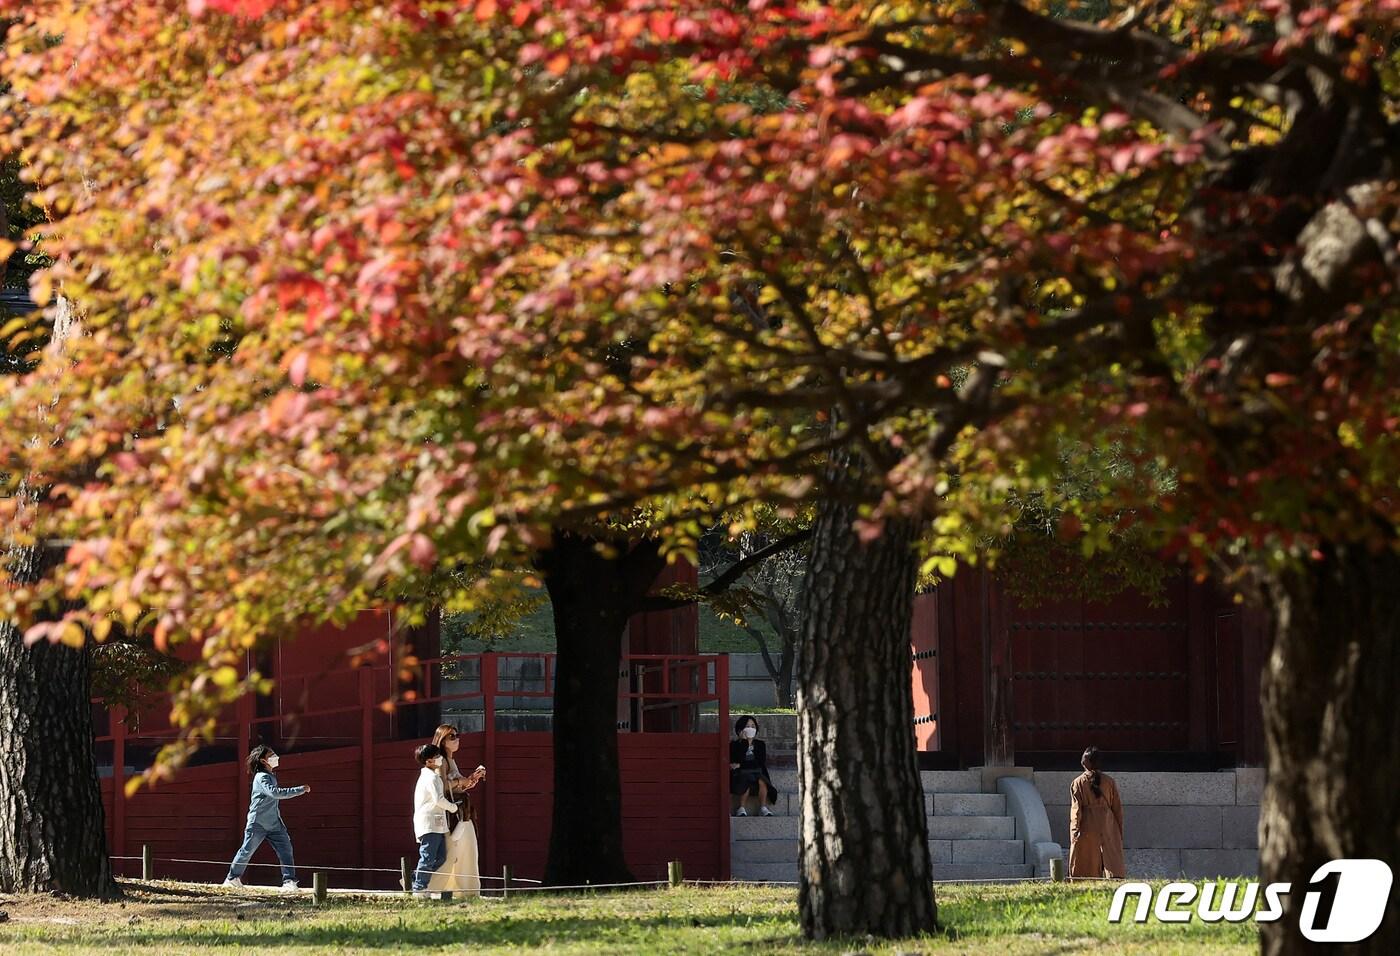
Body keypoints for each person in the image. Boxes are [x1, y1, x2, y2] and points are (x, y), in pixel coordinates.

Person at [222, 745, 310, 890]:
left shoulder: (270, 776)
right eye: (271, 755)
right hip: (258, 822)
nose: (275, 756)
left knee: (286, 850)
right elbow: (275, 793)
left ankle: (289, 882)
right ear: (263, 761)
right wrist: (300, 789)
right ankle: (232, 879)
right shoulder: (262, 777)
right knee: (246, 851)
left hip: (274, 823)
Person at [425, 723, 486, 896]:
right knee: (455, 853)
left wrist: (470, 780)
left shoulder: (450, 759)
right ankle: (435, 888)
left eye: (457, 735)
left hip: (462, 813)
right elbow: (443, 787)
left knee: (467, 851)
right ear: (443, 741)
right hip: (451, 815)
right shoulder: (441, 761)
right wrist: (461, 782)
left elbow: (458, 787)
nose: (457, 739)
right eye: (452, 736)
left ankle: (466, 890)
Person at [1068, 745, 1125, 879]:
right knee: (1111, 858)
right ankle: (1114, 878)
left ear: (1085, 762)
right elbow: (1117, 808)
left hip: (1087, 824)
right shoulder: (1109, 782)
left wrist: (1074, 831)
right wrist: (1118, 830)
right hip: (1108, 823)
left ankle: (1084, 880)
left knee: (1087, 860)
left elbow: (1076, 810)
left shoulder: (1077, 783)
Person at [412, 743, 459, 894]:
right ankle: (419, 888)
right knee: (427, 857)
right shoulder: (430, 778)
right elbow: (439, 799)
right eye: (436, 757)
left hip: (437, 824)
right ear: (428, 761)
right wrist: (453, 807)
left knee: (440, 857)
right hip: (429, 824)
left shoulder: (433, 776)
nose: (440, 759)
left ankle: (416, 876)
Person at [729, 715, 779, 817]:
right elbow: (737, 759)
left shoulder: (760, 744)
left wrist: (741, 764)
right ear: (740, 729)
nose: (750, 728)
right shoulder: (734, 744)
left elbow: (760, 761)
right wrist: (744, 742)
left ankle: (763, 807)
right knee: (745, 779)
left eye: (753, 726)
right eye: (747, 726)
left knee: (762, 780)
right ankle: (741, 808)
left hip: (757, 772)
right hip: (741, 774)